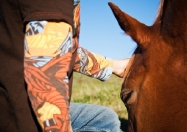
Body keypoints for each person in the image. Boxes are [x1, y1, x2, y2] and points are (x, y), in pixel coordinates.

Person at [0, 0, 129, 131]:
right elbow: (46, 69)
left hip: (11, 99)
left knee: (104, 119)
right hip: (19, 115)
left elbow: (60, 49)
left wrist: (114, 66)